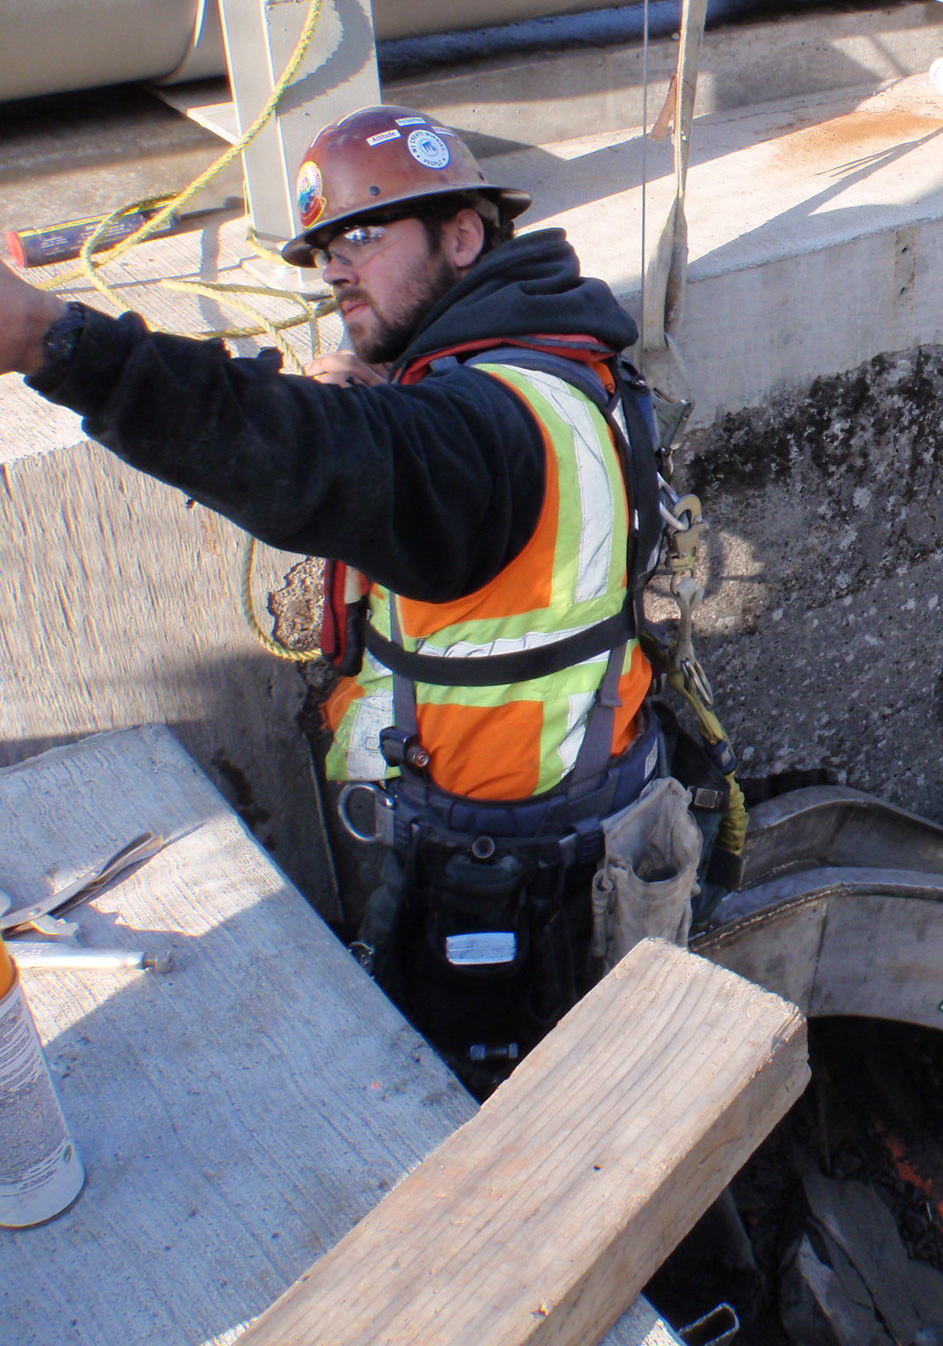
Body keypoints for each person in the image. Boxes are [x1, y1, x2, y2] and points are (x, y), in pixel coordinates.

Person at [0, 105, 729, 1070]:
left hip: (514, 877)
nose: (336, 266)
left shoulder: (479, 427)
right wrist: (390, 398)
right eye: (325, 249)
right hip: (594, 814)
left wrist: (54, 341)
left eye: (365, 234)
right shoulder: (558, 364)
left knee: (494, 1141)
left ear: (463, 235)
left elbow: (300, 456)